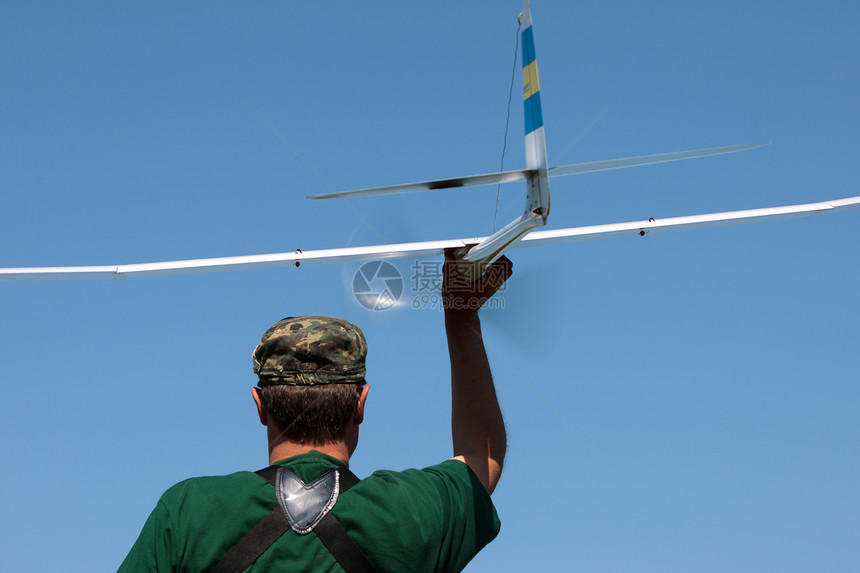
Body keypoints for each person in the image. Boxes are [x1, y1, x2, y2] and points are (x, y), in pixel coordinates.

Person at [118, 254, 512, 572]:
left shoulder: (189, 511)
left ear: (260, 405)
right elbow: (483, 457)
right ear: (361, 403)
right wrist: (461, 317)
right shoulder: (411, 512)